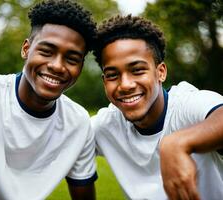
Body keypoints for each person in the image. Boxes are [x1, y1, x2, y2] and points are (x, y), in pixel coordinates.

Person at [0, 0, 98, 199]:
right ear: (26, 49)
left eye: (72, 58)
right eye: (46, 51)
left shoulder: (79, 123)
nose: (57, 66)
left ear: (81, 66)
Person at [91, 15, 223, 200]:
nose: (125, 84)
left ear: (160, 72)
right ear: (104, 81)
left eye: (137, 70)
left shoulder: (187, 105)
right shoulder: (106, 126)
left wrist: (176, 143)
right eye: (112, 75)